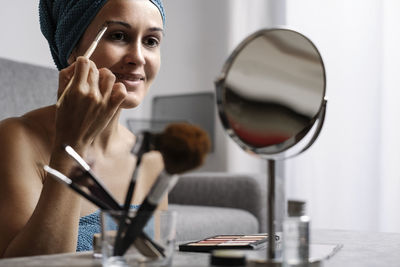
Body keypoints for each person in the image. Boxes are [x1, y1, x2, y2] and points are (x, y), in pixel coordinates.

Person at [0, 0, 166, 257]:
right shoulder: (15, 139)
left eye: (151, 41)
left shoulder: (152, 158)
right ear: (73, 48)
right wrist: (71, 145)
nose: (138, 57)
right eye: (119, 36)